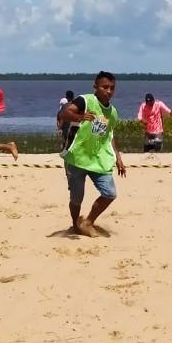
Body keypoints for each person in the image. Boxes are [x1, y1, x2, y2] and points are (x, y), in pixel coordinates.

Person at [59, 71, 126, 237]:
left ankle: (88, 222)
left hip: (99, 160)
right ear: (96, 87)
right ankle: (75, 224)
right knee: (76, 198)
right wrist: (81, 116)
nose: (108, 91)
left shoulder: (113, 113)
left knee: (110, 193)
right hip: (76, 158)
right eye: (105, 87)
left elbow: (109, 135)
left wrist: (118, 157)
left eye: (112, 88)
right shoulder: (86, 100)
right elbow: (64, 114)